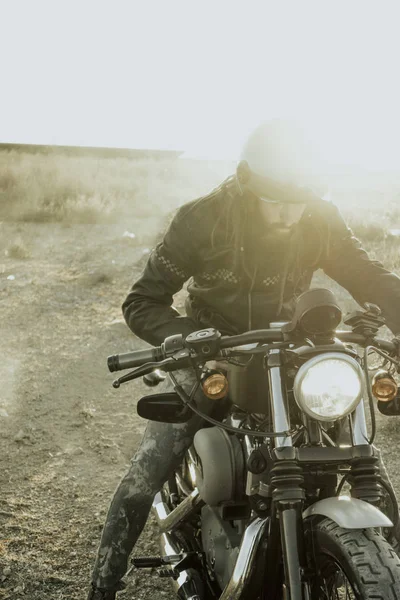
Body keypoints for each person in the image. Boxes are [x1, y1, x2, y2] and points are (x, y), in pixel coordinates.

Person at [87, 121, 400, 599]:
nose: (292, 213)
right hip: (212, 350)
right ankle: (102, 585)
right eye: (279, 201)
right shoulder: (202, 219)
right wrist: (191, 339)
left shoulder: (318, 216)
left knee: (356, 454)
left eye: (302, 199)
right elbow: (143, 300)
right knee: (144, 475)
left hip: (288, 350)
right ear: (250, 184)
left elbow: (370, 276)